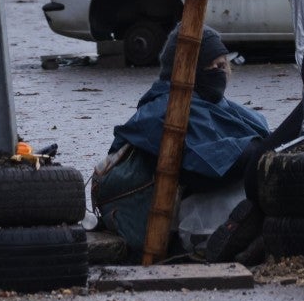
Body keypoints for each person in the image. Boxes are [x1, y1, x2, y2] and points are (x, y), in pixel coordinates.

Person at [90, 25, 271, 253]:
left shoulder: (218, 105)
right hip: (171, 213)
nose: (220, 72)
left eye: (223, 65)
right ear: (188, 69)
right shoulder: (164, 110)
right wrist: (258, 151)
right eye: (211, 66)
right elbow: (200, 169)